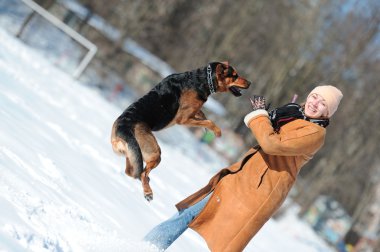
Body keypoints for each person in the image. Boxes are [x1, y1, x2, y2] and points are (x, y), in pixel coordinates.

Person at [143, 85, 343, 251]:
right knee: (191, 213)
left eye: (322, 103)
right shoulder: (295, 114)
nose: (314, 103)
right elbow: (269, 133)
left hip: (259, 191)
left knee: (225, 241)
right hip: (243, 178)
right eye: (314, 96)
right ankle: (148, 247)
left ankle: (147, 247)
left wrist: (260, 116)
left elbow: (272, 144)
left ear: (327, 112)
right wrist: (271, 115)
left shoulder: (315, 133)